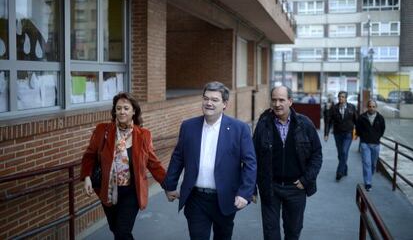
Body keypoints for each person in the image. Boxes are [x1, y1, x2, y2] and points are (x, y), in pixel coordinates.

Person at [163, 81, 257, 240]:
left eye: (214, 100)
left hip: (225, 199)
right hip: (196, 198)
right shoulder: (188, 126)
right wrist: (170, 185)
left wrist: (244, 193)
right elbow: (178, 157)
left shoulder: (239, 129)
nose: (209, 103)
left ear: (225, 104)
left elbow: (250, 163)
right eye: (206, 98)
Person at [80, 92, 166, 239]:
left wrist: (168, 184)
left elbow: (153, 163)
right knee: (115, 229)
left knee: (122, 231)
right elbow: (90, 155)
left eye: (126, 108)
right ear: (114, 111)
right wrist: (87, 176)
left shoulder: (143, 135)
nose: (122, 112)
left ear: (134, 111)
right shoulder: (103, 130)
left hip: (131, 192)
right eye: (118, 108)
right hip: (108, 190)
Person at [253, 85, 322, 240]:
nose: (277, 104)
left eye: (281, 100)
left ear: (290, 101)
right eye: (274, 100)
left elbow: (317, 154)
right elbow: (253, 156)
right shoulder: (263, 124)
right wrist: (252, 187)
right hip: (270, 187)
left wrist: (305, 180)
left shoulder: (305, 125)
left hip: (296, 188)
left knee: (293, 231)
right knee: (270, 234)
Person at [324, 91, 358, 181]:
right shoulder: (334, 108)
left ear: (346, 98)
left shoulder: (352, 107)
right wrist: (326, 134)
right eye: (339, 97)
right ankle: (345, 168)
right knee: (340, 154)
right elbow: (328, 121)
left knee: (344, 151)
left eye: (343, 97)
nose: (341, 98)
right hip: (337, 134)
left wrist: (357, 133)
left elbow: (357, 120)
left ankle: (339, 172)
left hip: (348, 133)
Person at [355, 99, 385, 191]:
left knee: (373, 164)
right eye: (370, 106)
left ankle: (369, 175)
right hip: (365, 144)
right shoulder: (361, 117)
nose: (371, 108)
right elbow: (358, 129)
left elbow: (382, 129)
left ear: (376, 107)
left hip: (376, 144)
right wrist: (363, 137)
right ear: (367, 107)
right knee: (367, 163)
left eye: (373, 107)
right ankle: (368, 183)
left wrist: (377, 137)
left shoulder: (380, 118)